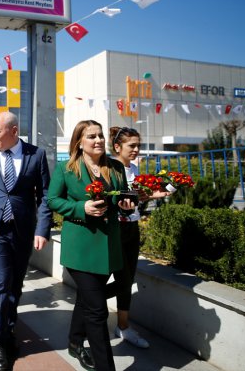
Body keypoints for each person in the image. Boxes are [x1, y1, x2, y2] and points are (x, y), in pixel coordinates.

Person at [47, 120, 136, 371]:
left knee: (88, 300)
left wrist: (127, 205)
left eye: (100, 136)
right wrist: (80, 208)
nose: (98, 140)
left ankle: (75, 342)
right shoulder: (66, 169)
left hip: (109, 248)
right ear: (79, 142)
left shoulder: (116, 167)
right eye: (91, 137)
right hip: (81, 250)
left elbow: (122, 197)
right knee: (97, 312)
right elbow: (52, 200)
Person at [0, 111, 52, 371]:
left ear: (14, 131)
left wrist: (42, 230)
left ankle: (8, 329)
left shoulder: (35, 155)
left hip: (23, 230)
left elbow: (46, 195)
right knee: (0, 284)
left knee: (15, 285)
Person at [106, 126, 169, 348]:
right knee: (102, 282)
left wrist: (154, 194)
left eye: (138, 146)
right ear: (117, 147)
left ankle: (123, 327)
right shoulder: (108, 169)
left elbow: (135, 198)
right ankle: (88, 314)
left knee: (127, 279)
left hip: (132, 228)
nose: (136, 150)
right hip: (112, 230)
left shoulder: (134, 169)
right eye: (131, 146)